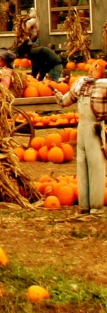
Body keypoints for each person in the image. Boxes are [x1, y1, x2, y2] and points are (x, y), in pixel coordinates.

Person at [57, 77, 106, 215]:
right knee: (81, 163)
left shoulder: (104, 85)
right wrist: (59, 97)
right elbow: (66, 100)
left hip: (95, 126)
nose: (93, 68)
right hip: (82, 127)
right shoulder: (81, 84)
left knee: (96, 164)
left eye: (97, 65)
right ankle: (84, 205)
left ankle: (96, 206)